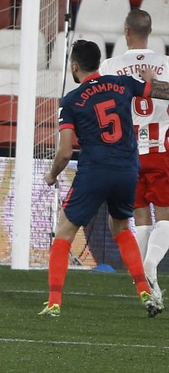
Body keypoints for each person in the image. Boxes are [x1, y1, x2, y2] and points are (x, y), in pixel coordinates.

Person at [41, 40, 162, 317]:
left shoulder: (71, 100)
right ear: (99, 62)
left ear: (74, 66)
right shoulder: (122, 83)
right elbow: (161, 92)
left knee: (65, 231)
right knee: (121, 228)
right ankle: (143, 288)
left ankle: (54, 302)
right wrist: (151, 81)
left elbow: (64, 151)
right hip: (127, 170)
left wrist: (52, 175)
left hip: (94, 171)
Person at [98, 9, 169, 308]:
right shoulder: (166, 64)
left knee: (140, 219)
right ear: (150, 32)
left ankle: (144, 287)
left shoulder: (110, 66)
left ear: (126, 31)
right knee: (165, 217)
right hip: (161, 150)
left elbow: (101, 103)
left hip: (126, 153)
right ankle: (150, 266)